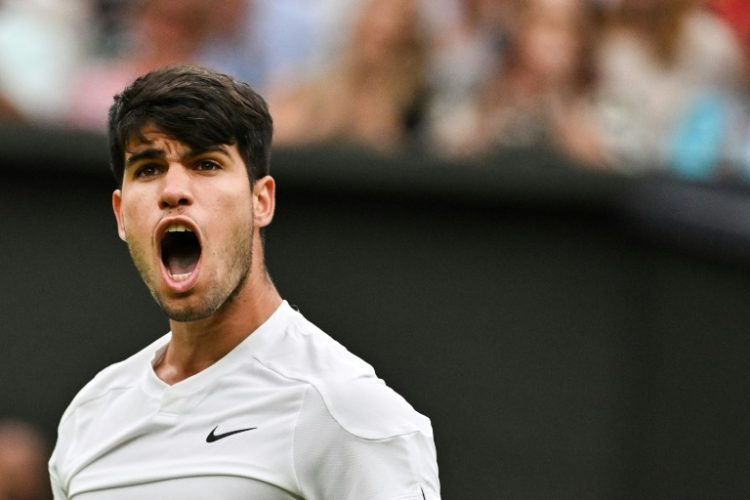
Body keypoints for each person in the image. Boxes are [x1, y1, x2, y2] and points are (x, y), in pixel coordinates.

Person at [48, 65, 440, 499]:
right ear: (121, 214)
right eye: (148, 168)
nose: (174, 190)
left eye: (206, 164)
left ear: (261, 201)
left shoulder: (350, 413)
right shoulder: (89, 416)